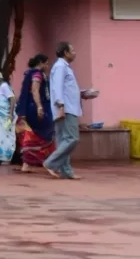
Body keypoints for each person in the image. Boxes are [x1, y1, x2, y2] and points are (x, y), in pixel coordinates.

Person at [45, 41, 98, 181]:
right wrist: (61, 106)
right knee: (72, 138)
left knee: (64, 140)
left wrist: (83, 94)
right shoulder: (60, 67)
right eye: (72, 50)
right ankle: (51, 163)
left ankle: (66, 171)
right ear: (65, 53)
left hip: (66, 106)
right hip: (66, 109)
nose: (75, 53)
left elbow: (67, 89)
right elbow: (57, 88)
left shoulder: (63, 67)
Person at [16, 54, 55, 171]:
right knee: (45, 134)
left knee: (34, 134)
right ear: (40, 63)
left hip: (31, 108)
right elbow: (35, 90)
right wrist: (39, 107)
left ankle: (27, 164)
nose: (48, 66)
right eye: (46, 63)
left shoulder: (31, 73)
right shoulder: (37, 74)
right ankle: (50, 162)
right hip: (36, 108)